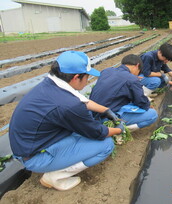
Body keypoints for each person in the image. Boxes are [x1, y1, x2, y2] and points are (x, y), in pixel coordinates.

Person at [9, 51, 124, 191]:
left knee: (80, 132)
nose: (87, 80)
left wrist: (105, 110)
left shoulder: (51, 83)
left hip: (28, 146)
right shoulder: (69, 105)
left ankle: (57, 162)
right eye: (87, 76)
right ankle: (55, 177)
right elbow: (98, 132)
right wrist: (119, 129)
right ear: (76, 77)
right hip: (34, 158)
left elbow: (79, 99)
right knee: (105, 145)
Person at [90, 54, 158, 132]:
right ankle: (119, 130)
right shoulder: (131, 79)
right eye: (139, 72)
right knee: (153, 115)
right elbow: (141, 102)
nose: (137, 74)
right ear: (137, 65)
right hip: (108, 117)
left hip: (92, 112)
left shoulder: (107, 71)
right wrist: (148, 105)